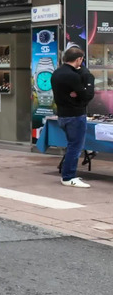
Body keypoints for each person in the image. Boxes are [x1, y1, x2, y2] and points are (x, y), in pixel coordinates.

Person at [52, 46, 95, 188]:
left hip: (62, 114)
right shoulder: (73, 76)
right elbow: (87, 95)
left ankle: (68, 173)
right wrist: (86, 83)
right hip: (75, 115)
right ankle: (68, 176)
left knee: (72, 145)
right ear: (79, 59)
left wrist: (77, 94)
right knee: (75, 147)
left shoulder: (56, 73)